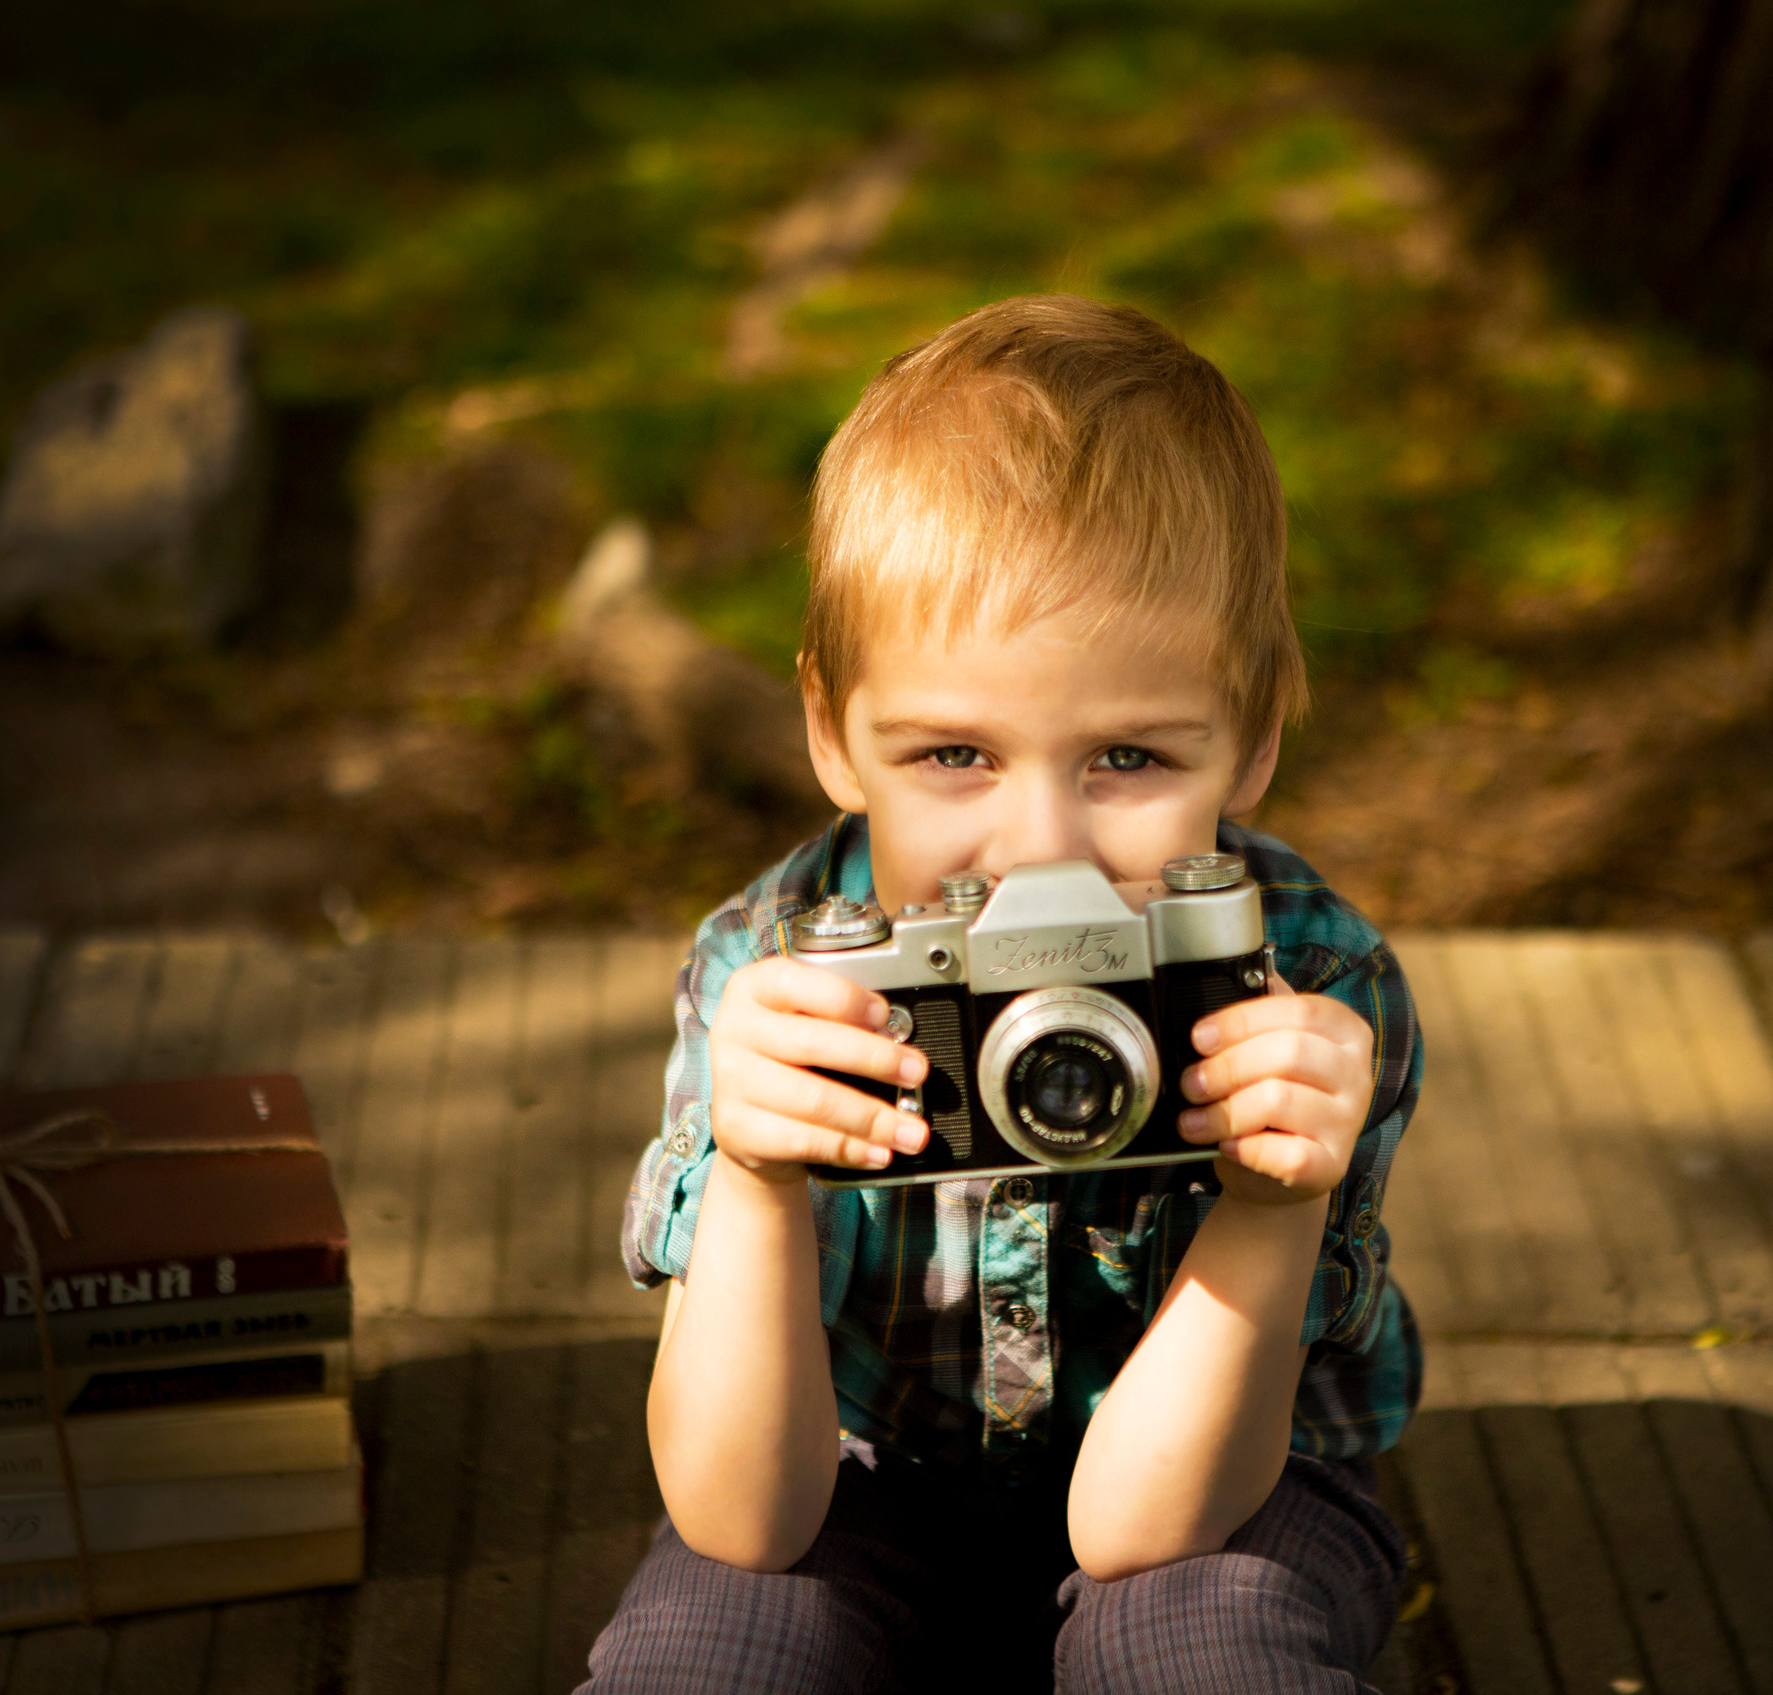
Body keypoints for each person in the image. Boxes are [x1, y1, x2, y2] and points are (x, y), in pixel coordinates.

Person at [580, 293, 1423, 1695]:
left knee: (1207, 1655)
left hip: (1225, 1478)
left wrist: (1276, 1208)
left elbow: (1147, 1530)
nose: (1042, 848)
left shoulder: (1308, 990)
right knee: (704, 1654)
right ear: (832, 733)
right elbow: (742, 1521)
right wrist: (753, 1180)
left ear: (1255, 739)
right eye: (954, 755)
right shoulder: (783, 975)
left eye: (1132, 760)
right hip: (853, 1466)